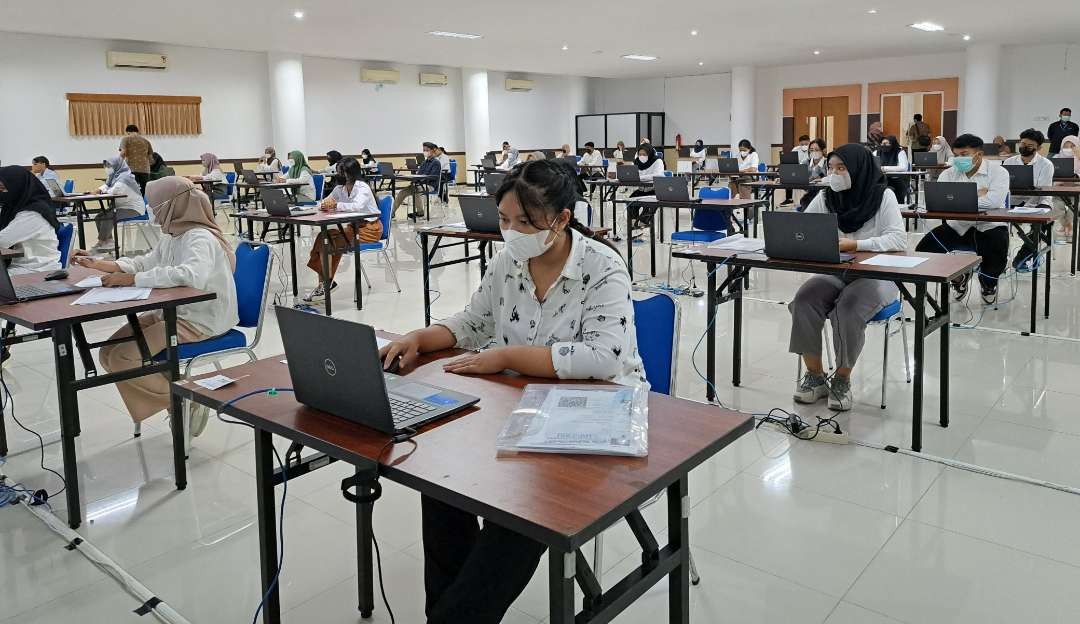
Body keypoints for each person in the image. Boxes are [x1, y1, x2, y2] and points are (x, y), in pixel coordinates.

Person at [378, 159, 645, 623]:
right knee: (440, 477)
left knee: (525, 508)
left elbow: (603, 357)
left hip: (592, 410)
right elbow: (475, 320)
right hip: (518, 405)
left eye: (525, 221)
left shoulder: (602, 266)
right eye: (504, 219)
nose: (511, 231)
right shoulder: (510, 260)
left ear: (561, 219)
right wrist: (421, 337)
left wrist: (506, 357)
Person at [75, 176, 238, 435]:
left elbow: (190, 275)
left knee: (123, 359)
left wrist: (132, 279)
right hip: (172, 312)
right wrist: (101, 264)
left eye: (156, 205)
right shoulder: (173, 235)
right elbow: (146, 262)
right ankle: (175, 400)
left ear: (174, 205)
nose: (152, 210)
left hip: (199, 319)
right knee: (107, 352)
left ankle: (184, 402)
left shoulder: (199, 237)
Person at [789, 144, 906, 411]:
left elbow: (898, 239)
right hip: (838, 271)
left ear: (858, 169)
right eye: (831, 168)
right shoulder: (827, 197)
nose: (835, 174)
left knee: (848, 307)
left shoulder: (882, 196)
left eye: (841, 168)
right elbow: (803, 229)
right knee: (804, 300)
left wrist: (856, 245)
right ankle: (815, 376)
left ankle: (842, 378)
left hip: (878, 275)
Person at [915, 134, 1010, 304]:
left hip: (989, 226)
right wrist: (978, 194)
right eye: (956, 155)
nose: (959, 159)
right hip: (957, 226)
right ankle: (958, 278)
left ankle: (988, 283)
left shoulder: (999, 172)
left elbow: (994, 201)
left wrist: (960, 200)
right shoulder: (949, 173)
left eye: (964, 154)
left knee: (997, 250)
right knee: (924, 249)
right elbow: (939, 201)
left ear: (978, 154)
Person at [303, 157, 383, 303]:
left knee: (332, 242)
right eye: (339, 171)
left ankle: (325, 284)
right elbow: (325, 201)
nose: (339, 174)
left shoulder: (362, 187)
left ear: (351, 172)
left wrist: (335, 205)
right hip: (353, 228)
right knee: (324, 237)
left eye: (343, 171)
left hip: (370, 229)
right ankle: (326, 283)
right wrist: (324, 204)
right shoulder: (339, 189)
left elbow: (357, 206)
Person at [1005, 129, 1055, 270]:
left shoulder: (1046, 164)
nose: (1024, 147)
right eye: (1022, 143)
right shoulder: (1009, 161)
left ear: (1038, 147)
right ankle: (999, 258)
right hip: (1013, 200)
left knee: (1043, 221)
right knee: (994, 223)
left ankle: (1023, 256)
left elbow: (1042, 191)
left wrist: (1027, 207)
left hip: (1038, 201)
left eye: (1030, 145)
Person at [0, 166, 62, 274]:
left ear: (17, 186)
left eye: (3, 188)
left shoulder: (33, 213)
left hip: (36, 269)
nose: (1, 192)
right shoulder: (14, 206)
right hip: (17, 265)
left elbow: (2, 241)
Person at [94, 155, 145, 252]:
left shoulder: (126, 177)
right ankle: (109, 242)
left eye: (109, 166)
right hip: (122, 207)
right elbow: (106, 186)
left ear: (117, 165)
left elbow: (116, 190)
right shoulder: (113, 176)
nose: (107, 168)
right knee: (99, 217)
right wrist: (98, 190)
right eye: (106, 166)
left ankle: (101, 242)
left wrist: (104, 191)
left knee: (108, 216)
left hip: (133, 209)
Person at [392, 142, 441, 219]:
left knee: (417, 189)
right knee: (402, 192)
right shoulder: (424, 163)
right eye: (424, 150)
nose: (425, 152)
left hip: (430, 186)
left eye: (427, 150)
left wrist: (420, 180)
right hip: (419, 185)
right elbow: (419, 174)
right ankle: (391, 213)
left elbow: (434, 177)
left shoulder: (436, 163)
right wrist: (414, 179)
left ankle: (420, 212)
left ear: (432, 150)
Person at [628, 143, 665, 230]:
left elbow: (658, 175)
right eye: (640, 154)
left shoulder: (657, 161)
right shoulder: (637, 162)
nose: (642, 156)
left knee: (650, 205)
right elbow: (634, 174)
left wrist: (640, 178)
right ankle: (634, 223)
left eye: (644, 154)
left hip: (654, 190)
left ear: (650, 153)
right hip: (641, 190)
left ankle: (643, 223)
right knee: (630, 202)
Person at [120, 124, 153, 195]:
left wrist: (118, 163)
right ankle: (142, 205)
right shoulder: (146, 141)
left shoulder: (126, 139)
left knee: (132, 192)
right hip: (145, 171)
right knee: (144, 192)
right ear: (137, 131)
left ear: (128, 132)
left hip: (132, 169)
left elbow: (123, 153)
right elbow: (151, 159)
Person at [876, 135, 910, 203]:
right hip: (881, 180)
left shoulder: (900, 152)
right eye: (882, 144)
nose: (884, 145)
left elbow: (904, 167)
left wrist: (884, 168)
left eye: (886, 143)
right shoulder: (877, 152)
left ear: (893, 144)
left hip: (896, 180)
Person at [797, 139, 828, 211]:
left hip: (823, 194)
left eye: (817, 150)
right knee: (805, 201)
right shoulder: (805, 162)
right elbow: (797, 175)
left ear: (823, 150)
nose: (814, 152)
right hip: (809, 193)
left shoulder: (827, 163)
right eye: (811, 150)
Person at [781, 135, 811, 206]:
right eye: (802, 144)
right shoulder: (796, 149)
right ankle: (789, 199)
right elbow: (791, 159)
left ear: (809, 142)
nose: (804, 146)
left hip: (807, 170)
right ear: (799, 143)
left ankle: (808, 198)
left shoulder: (811, 150)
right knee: (788, 177)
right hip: (796, 169)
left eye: (806, 144)